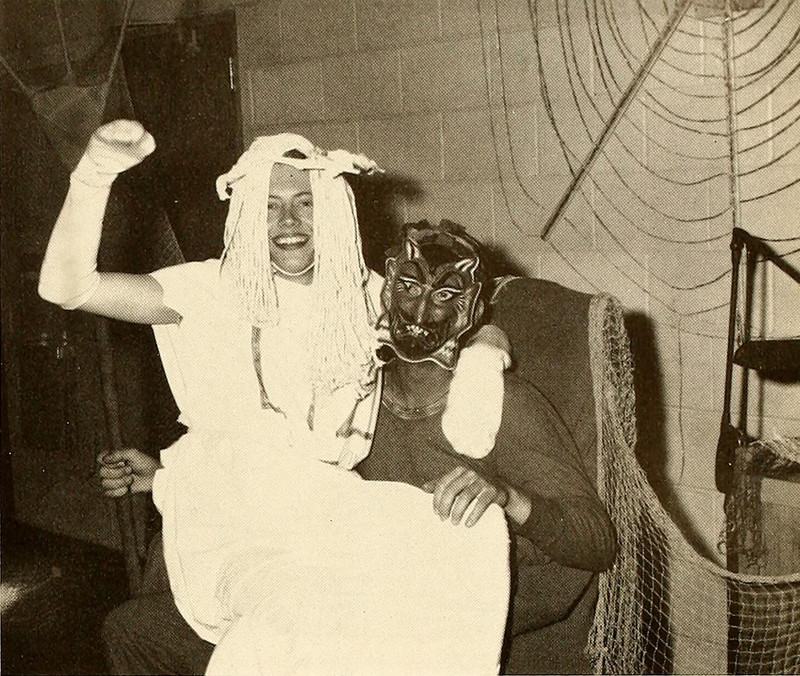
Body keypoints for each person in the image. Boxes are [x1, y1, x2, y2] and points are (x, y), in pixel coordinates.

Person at [40, 120, 512, 674]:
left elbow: (472, 317)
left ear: (331, 210)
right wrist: (96, 172)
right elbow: (66, 286)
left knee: (472, 533)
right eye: (269, 206)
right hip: (231, 518)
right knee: (296, 613)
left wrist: (484, 357)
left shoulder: (363, 293)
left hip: (325, 504)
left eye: (305, 203)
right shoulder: (207, 289)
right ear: (244, 214)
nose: (288, 222)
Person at [355, 221, 618, 674]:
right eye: (409, 287)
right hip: (383, 620)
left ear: (471, 311)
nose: (419, 310)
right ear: (385, 291)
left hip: (483, 630)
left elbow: (596, 542)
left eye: (443, 295)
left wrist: (505, 496)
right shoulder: (353, 397)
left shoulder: (503, 403)